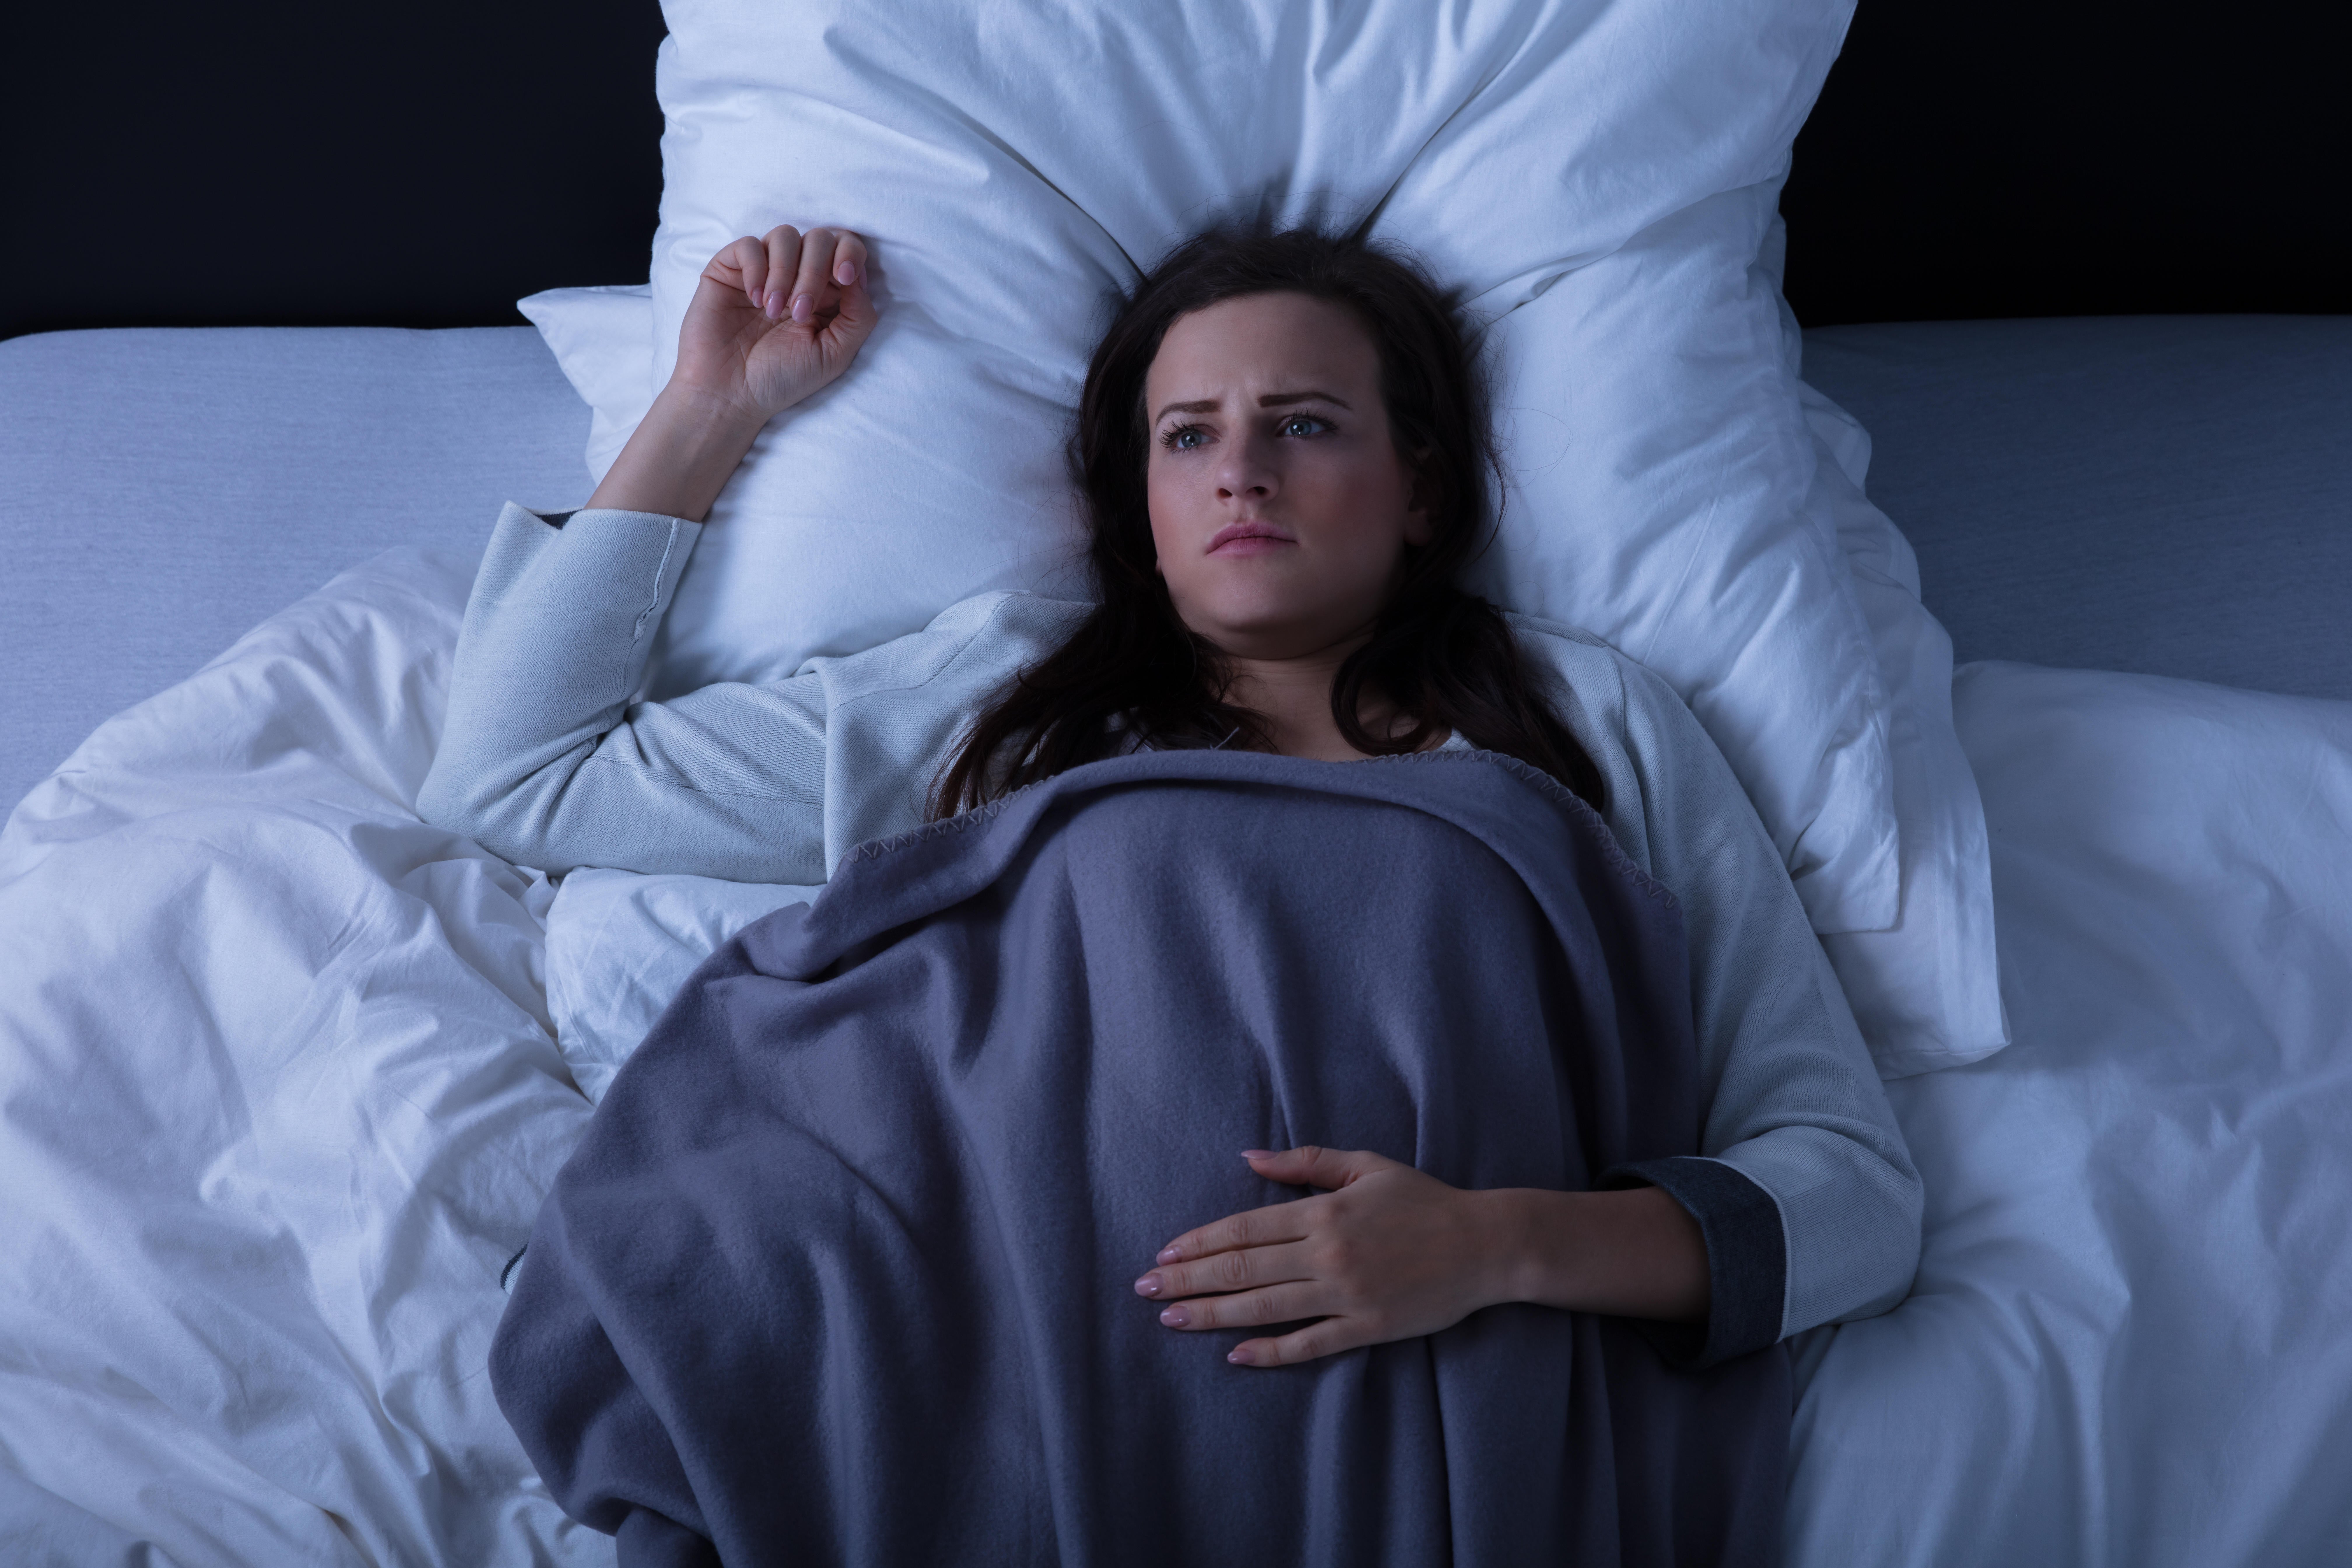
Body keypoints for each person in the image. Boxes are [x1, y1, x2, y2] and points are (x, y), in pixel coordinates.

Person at [418, 220, 1918, 1380]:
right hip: (1010, 1351)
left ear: (1424, 489)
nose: (1241, 472)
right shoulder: (993, 710)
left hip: (1445, 1376)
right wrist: (707, 407)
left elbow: (1848, 1189)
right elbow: (517, 771)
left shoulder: (1595, 724)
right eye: (1187, 434)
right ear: (1133, 502)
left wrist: (1490, 1243)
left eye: (1308, 423)